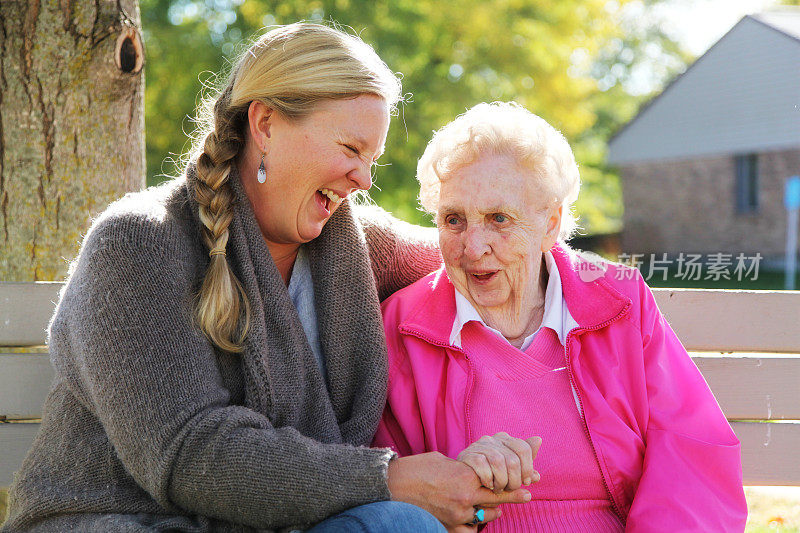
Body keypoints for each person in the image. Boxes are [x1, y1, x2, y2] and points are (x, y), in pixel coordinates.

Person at [2, 25, 531, 533]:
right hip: (122, 521)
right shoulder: (137, 243)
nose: (365, 180)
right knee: (397, 522)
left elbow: (483, 254)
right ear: (266, 124)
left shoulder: (355, 246)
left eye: (372, 159)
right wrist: (389, 479)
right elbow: (191, 453)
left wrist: (572, 261)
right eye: (350, 149)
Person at [374, 102, 748, 531]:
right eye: (453, 219)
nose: (473, 247)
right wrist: (457, 484)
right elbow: (391, 490)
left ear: (550, 224)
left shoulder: (619, 302)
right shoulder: (402, 327)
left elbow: (689, 454)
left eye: (499, 218)